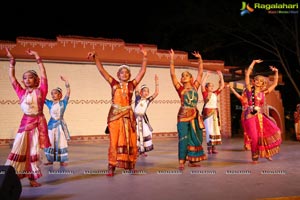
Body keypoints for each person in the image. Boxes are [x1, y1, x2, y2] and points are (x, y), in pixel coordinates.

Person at [87, 45, 147, 176]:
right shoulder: (113, 83)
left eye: (126, 72)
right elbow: (102, 70)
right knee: (114, 142)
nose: (124, 74)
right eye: (121, 72)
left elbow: (142, 72)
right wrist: (96, 56)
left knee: (130, 140)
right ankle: (111, 165)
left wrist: (145, 56)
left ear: (129, 75)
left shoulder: (132, 84)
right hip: (114, 116)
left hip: (128, 116)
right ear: (118, 75)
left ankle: (131, 164)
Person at [4, 47, 51, 187]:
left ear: (36, 80)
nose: (27, 80)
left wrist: (37, 56)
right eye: (25, 78)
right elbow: (12, 78)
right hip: (25, 124)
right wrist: (12, 62)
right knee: (18, 149)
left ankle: (32, 178)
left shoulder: (41, 90)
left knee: (34, 150)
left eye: (30, 77)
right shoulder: (21, 92)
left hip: (37, 125)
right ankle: (11, 175)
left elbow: (44, 74)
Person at [169, 49, 207, 171]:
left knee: (197, 137)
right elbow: (172, 74)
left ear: (191, 78)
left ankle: (192, 160)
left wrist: (200, 59)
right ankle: (181, 161)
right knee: (183, 138)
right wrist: (172, 59)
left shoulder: (195, 86)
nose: (184, 77)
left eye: (187, 75)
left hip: (195, 115)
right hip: (183, 116)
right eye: (183, 76)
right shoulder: (180, 88)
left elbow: (200, 73)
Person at [244, 59, 282, 164]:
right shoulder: (249, 90)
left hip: (260, 117)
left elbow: (274, 84)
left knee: (268, 133)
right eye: (256, 80)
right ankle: (254, 157)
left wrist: (276, 72)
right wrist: (253, 63)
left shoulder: (263, 93)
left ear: (262, 84)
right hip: (250, 116)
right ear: (254, 81)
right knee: (255, 138)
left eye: (260, 81)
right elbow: (247, 76)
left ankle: (266, 153)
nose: (258, 82)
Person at [44, 76, 71, 166]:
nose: (53, 95)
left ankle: (62, 161)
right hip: (51, 125)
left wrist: (66, 82)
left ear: (60, 95)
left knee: (60, 142)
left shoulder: (63, 103)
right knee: (50, 141)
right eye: (52, 93)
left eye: (55, 93)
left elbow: (68, 93)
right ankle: (50, 160)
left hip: (59, 125)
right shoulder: (49, 103)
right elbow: (40, 96)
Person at [134, 75, 159, 157]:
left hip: (143, 120)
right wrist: (138, 77)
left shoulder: (148, 100)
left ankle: (142, 150)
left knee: (145, 134)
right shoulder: (137, 97)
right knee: (136, 135)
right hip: (136, 120)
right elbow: (136, 86)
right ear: (141, 92)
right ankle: (136, 151)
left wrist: (156, 82)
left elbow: (156, 93)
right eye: (144, 91)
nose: (146, 92)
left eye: (147, 91)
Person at [201, 71, 225, 154]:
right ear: (206, 87)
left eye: (212, 86)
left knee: (215, 130)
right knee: (209, 131)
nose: (212, 87)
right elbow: (202, 85)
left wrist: (221, 76)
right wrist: (206, 76)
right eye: (210, 86)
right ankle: (209, 148)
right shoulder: (205, 93)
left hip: (215, 113)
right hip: (208, 113)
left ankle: (214, 147)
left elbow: (222, 86)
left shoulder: (215, 93)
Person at [228, 84, 251, 150]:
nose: (245, 93)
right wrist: (232, 89)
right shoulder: (242, 98)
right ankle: (247, 144)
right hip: (244, 115)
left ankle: (251, 144)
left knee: (251, 130)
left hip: (251, 115)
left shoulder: (251, 99)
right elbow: (235, 93)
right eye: (244, 92)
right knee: (246, 131)